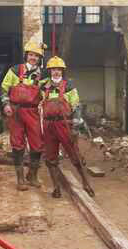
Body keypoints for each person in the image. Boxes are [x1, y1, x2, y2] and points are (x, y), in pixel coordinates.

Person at [40, 56, 94, 198]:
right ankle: (56, 187)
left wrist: (76, 123)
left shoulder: (69, 86)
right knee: (50, 158)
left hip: (64, 124)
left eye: (58, 69)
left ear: (62, 71)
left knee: (74, 154)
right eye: (53, 69)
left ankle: (86, 183)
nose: (55, 72)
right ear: (49, 71)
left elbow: (76, 105)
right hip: (48, 125)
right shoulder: (43, 86)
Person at [1, 39, 46, 190]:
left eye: (36, 56)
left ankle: (32, 175)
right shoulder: (14, 70)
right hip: (16, 112)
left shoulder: (43, 74)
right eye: (31, 55)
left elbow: (48, 93)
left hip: (33, 112)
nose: (33, 58)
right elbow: (4, 89)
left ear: (39, 59)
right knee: (17, 144)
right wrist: (6, 104)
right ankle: (20, 179)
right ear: (26, 56)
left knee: (37, 145)